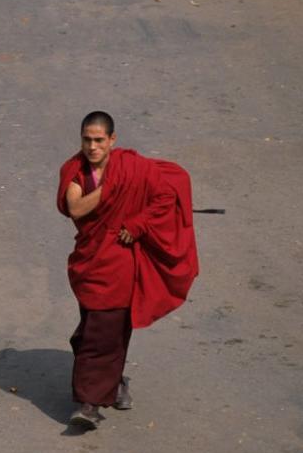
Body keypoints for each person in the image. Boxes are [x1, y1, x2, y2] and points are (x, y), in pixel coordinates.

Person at [57, 111, 198, 430]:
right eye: (87, 140)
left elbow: (165, 195)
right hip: (90, 262)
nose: (92, 147)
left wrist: (138, 223)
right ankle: (116, 381)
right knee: (94, 330)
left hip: (121, 262)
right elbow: (76, 208)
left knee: (103, 332)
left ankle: (89, 404)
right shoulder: (74, 170)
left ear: (112, 140)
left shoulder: (133, 167)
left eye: (98, 141)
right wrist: (114, 190)